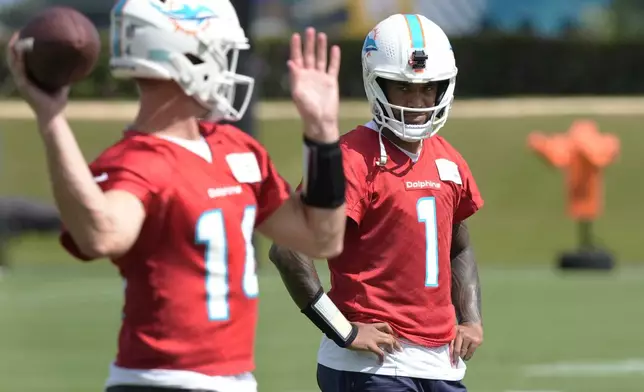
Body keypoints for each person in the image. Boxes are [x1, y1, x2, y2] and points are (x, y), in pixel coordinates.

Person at [6, 0, 347, 391]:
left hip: (235, 380)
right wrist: (51, 121)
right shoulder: (135, 160)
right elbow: (102, 234)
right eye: (221, 54)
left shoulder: (237, 149)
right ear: (187, 61)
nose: (230, 69)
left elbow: (322, 237)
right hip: (160, 381)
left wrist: (321, 130)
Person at [269, 14, 484, 392]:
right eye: (403, 88)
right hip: (373, 366)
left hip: (441, 364)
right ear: (377, 85)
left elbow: (458, 243)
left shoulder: (448, 159)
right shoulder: (352, 158)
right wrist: (344, 331)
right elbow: (287, 250)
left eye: (427, 88)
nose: (417, 101)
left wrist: (471, 318)